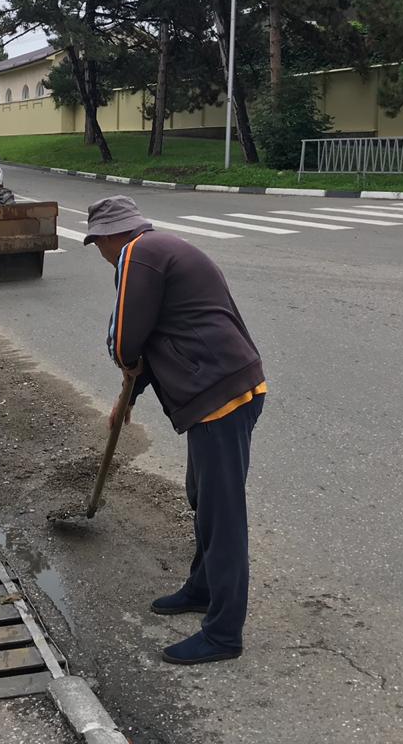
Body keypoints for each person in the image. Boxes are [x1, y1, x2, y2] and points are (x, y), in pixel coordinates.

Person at [84, 195, 266, 666]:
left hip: (220, 393)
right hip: (219, 389)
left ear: (109, 236)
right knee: (201, 497)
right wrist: (126, 399)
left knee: (221, 516)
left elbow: (126, 339)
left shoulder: (138, 254)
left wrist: (125, 374)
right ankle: (203, 589)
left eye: (97, 244)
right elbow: (157, 336)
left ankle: (224, 633)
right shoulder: (159, 249)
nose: (101, 255)